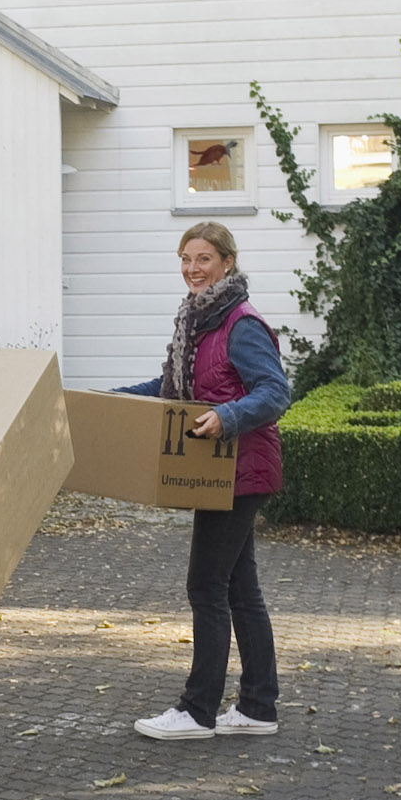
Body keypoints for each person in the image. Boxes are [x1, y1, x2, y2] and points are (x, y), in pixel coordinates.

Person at [122, 221, 291, 742]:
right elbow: (170, 386)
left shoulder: (240, 323)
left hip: (239, 469)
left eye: (203, 259)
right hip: (221, 471)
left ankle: (198, 712)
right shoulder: (196, 323)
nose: (192, 269)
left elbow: (275, 391)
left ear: (227, 263)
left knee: (207, 587)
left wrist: (227, 417)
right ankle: (259, 707)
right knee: (241, 589)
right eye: (185, 258)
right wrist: (113, 398)